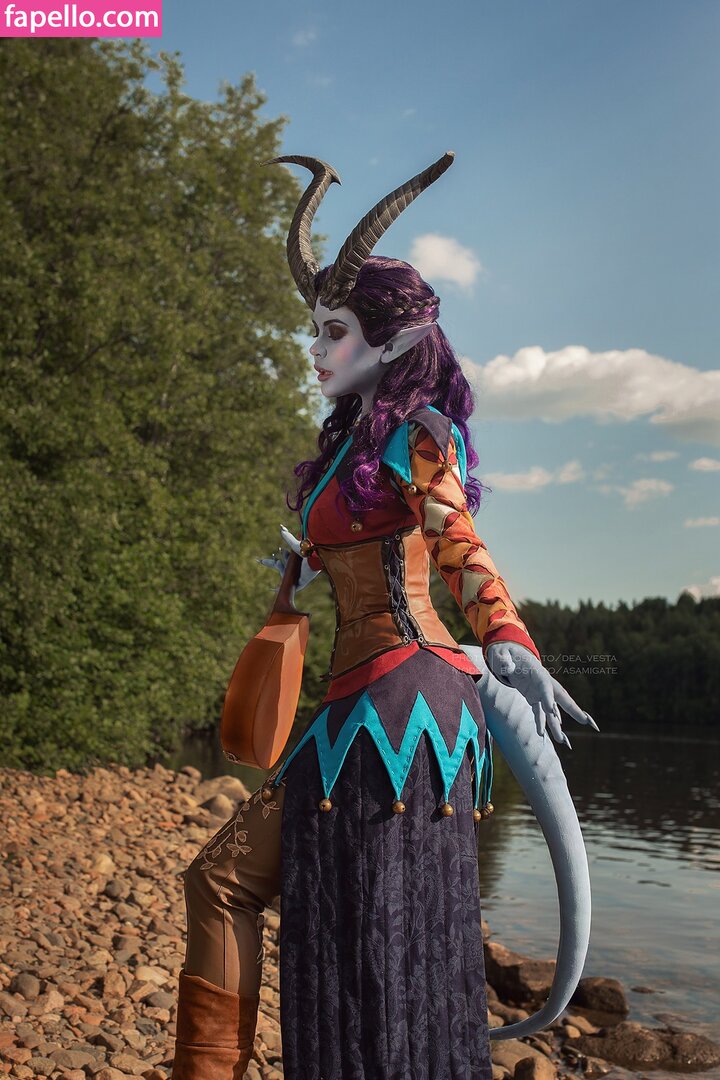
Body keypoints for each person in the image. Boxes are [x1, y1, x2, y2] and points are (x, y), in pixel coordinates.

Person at [171, 152, 597, 1080]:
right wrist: (298, 566)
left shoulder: (418, 437)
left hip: (400, 707)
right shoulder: (351, 451)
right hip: (366, 704)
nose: (317, 349)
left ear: (394, 342)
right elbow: (370, 550)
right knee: (314, 913)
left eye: (335, 331)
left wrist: (508, 638)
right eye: (315, 330)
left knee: (357, 929)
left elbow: (457, 540)